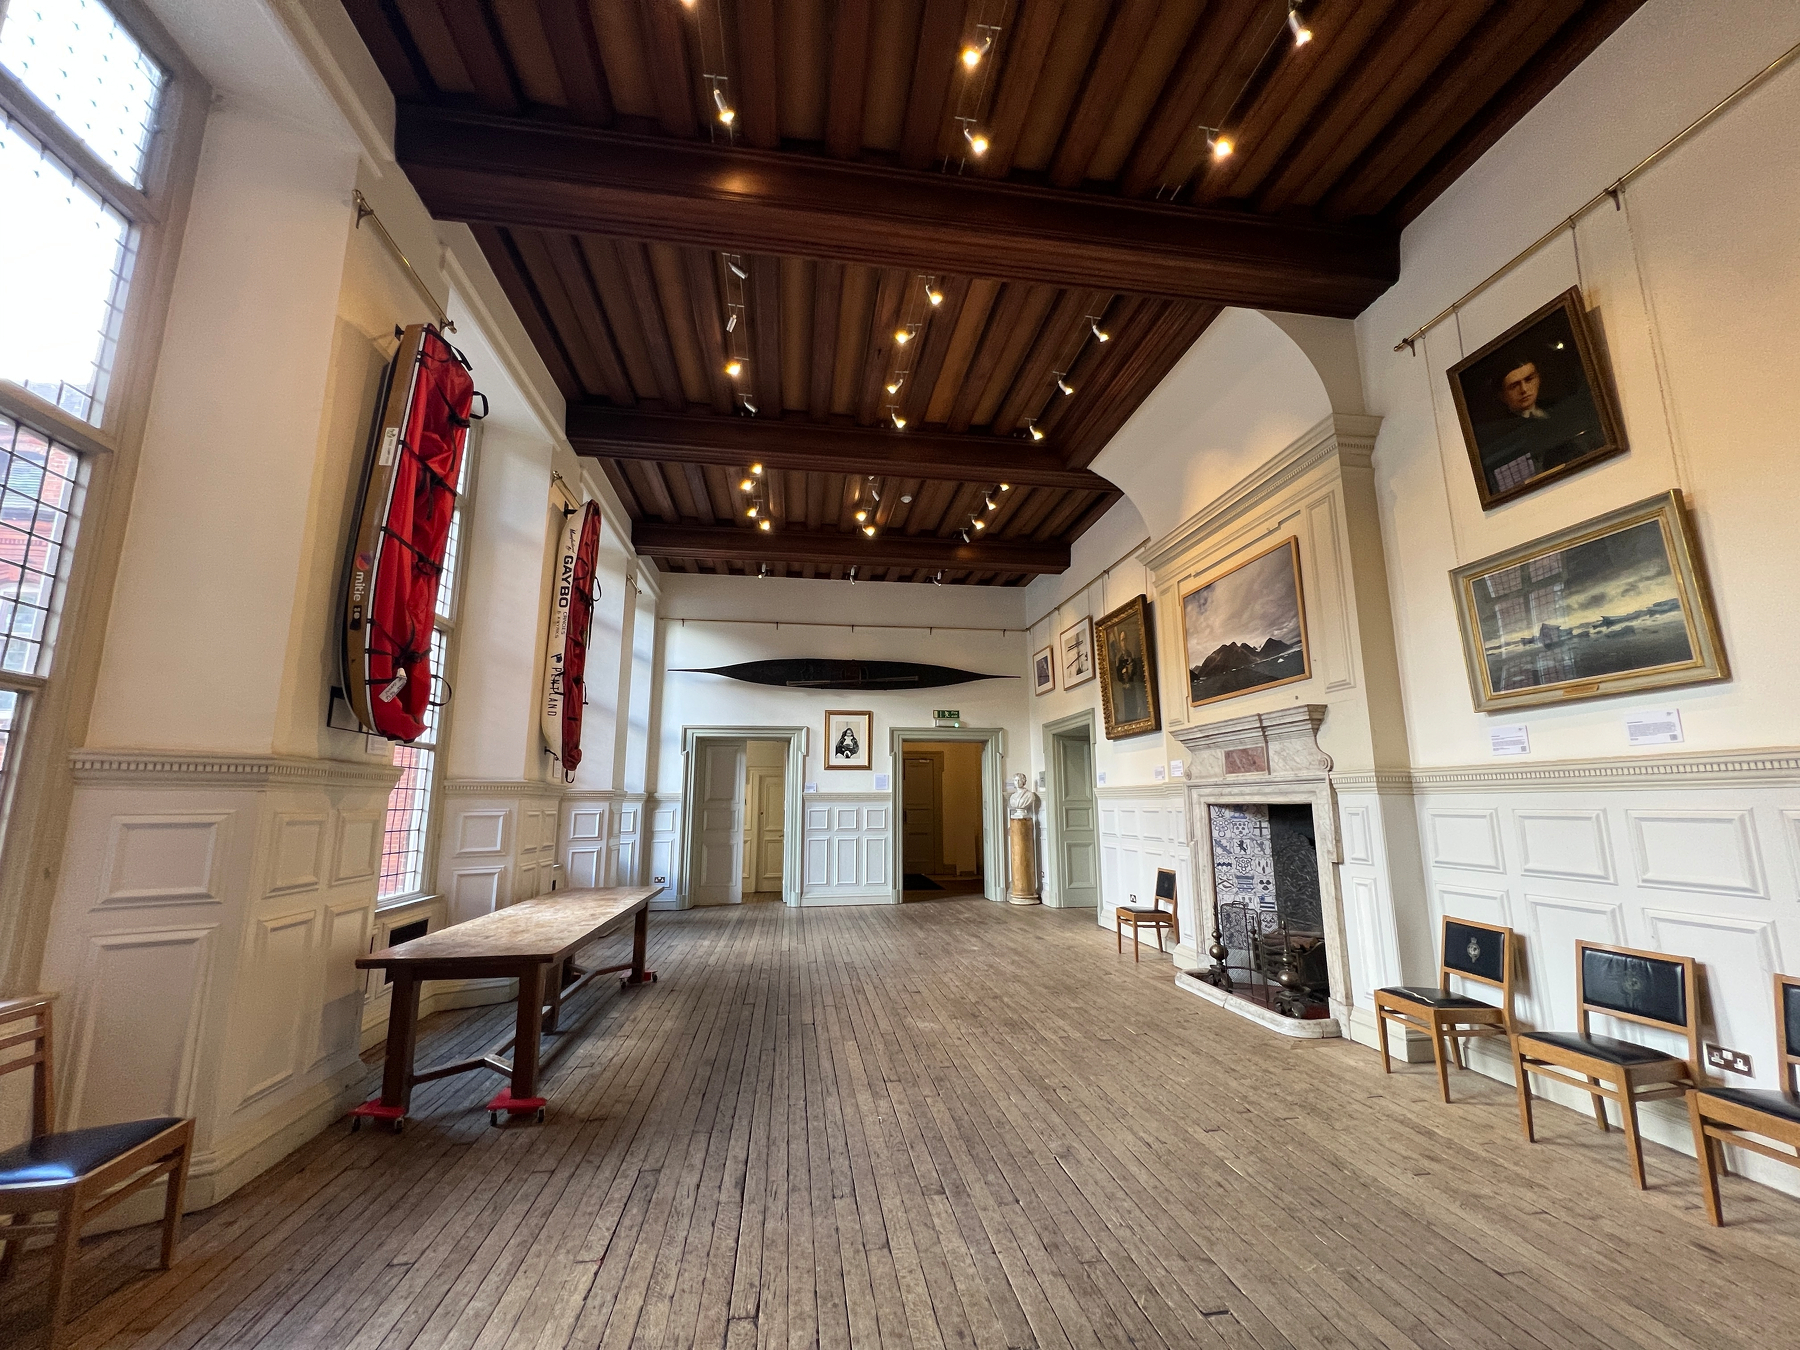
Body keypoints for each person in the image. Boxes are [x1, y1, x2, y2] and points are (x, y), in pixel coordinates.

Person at [1474, 348, 1606, 494]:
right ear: (1502, 395)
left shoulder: (1561, 409)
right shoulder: (1498, 433)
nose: (1524, 389)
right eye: (1514, 386)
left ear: (1538, 378)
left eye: (1529, 379)